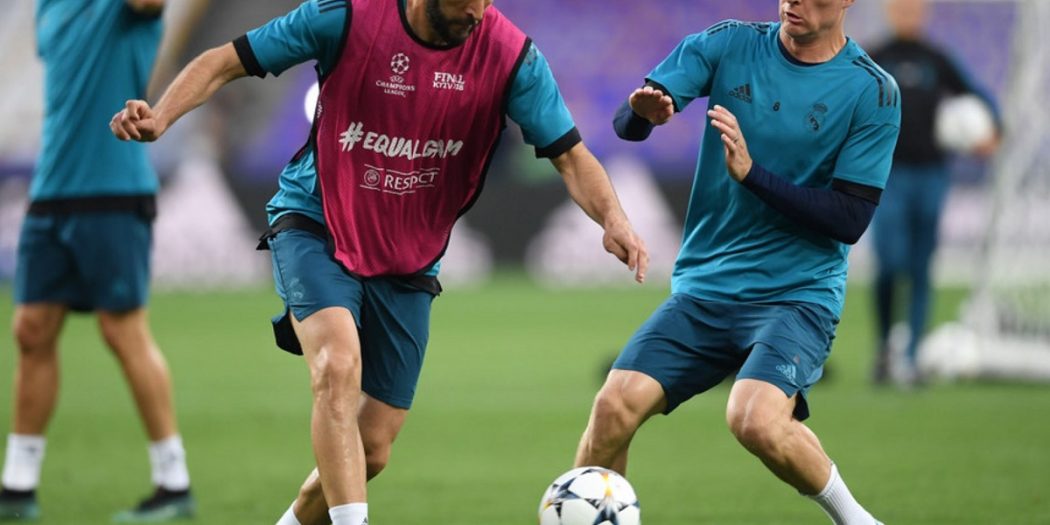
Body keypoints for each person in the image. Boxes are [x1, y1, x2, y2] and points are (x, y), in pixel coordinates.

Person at [110, 1, 649, 524]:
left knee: (370, 450)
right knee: (337, 365)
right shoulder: (345, 17)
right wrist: (161, 117)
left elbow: (570, 156)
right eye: (466, 0)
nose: (477, 12)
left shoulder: (510, 55)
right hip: (318, 220)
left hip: (409, 261)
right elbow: (224, 61)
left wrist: (614, 220)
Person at [572, 0, 900, 523]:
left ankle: (858, 520)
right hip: (706, 288)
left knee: (754, 419)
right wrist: (641, 115)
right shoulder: (730, 43)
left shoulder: (871, 90)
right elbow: (627, 123)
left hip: (797, 294)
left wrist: (753, 176)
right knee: (613, 407)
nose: (792, 0)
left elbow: (849, 218)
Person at [0, 0, 195, 522]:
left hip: (114, 188)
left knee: (122, 330)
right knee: (31, 329)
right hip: (51, 188)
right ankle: (17, 486)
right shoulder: (48, 8)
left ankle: (173, 481)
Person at [868, 0, 1001, 387]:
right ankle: (884, 347)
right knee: (889, 263)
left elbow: (978, 97)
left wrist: (993, 131)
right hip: (887, 175)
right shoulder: (874, 58)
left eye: (914, 7)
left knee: (921, 265)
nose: (907, 13)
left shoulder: (937, 60)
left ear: (924, 11)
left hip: (931, 175)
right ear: (890, 11)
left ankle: (911, 359)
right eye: (901, 7)